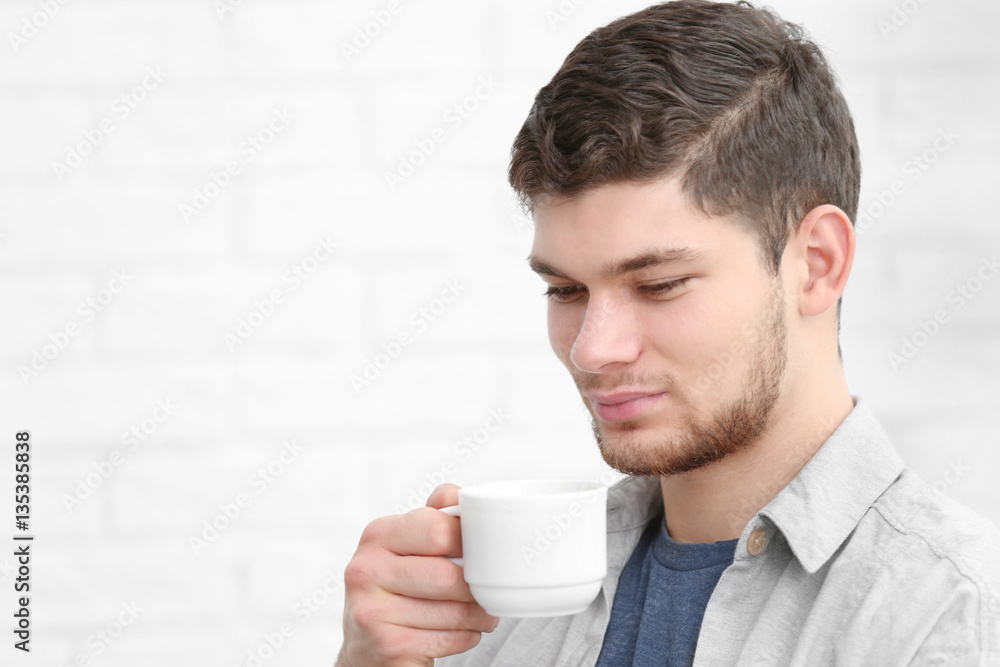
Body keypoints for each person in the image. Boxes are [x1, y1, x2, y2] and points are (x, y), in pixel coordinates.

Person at [335, 1, 1000, 665]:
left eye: (659, 284)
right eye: (565, 289)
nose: (592, 349)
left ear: (816, 264)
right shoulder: (498, 607)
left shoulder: (951, 616)